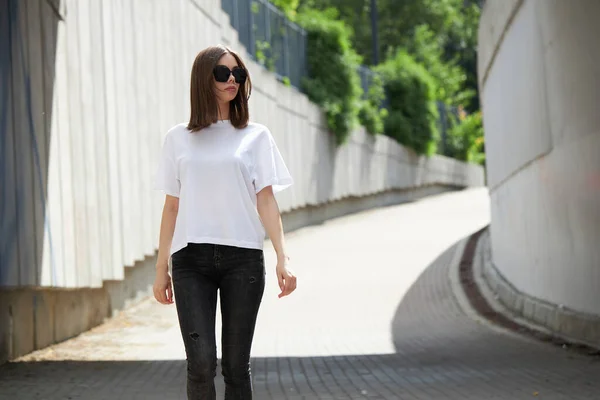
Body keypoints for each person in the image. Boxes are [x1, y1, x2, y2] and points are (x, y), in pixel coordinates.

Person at [152, 44, 297, 399]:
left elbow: (266, 199)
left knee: (235, 366)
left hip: (243, 259)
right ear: (204, 79)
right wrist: (161, 268)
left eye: (238, 73)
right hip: (191, 261)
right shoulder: (178, 138)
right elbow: (172, 205)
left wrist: (282, 256)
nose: (232, 79)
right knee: (200, 363)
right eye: (223, 73)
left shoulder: (256, 136)